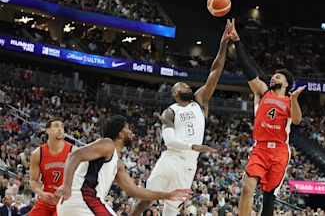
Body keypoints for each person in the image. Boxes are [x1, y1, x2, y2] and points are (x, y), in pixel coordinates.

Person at [131, 20, 233, 216]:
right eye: (181, 86)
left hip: (189, 164)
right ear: (174, 94)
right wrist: (193, 146)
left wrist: (223, 44)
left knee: (173, 207)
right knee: (146, 199)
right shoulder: (170, 111)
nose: (186, 86)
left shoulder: (199, 101)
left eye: (186, 85)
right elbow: (169, 140)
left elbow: (215, 72)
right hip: (171, 159)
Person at [227, 19, 306, 216]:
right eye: (273, 76)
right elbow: (248, 70)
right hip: (260, 147)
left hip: (279, 152)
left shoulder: (289, 100)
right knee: (247, 187)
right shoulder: (263, 92)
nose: (273, 78)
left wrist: (294, 99)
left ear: (287, 83)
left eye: (278, 77)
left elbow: (296, 120)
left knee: (269, 196)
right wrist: (237, 41)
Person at [55, 115, 192, 216]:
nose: (131, 132)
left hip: (71, 205)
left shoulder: (116, 162)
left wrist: (167, 195)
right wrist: (66, 185)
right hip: (83, 200)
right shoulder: (107, 144)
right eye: (128, 129)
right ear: (120, 134)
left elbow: (134, 191)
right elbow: (74, 155)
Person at [29, 118, 74, 216]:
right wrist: (41, 193)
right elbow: (33, 181)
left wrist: (67, 184)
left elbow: (82, 176)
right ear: (47, 130)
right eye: (56, 126)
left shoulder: (73, 151)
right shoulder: (38, 153)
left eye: (62, 127)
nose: (60, 129)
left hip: (66, 200)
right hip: (47, 198)